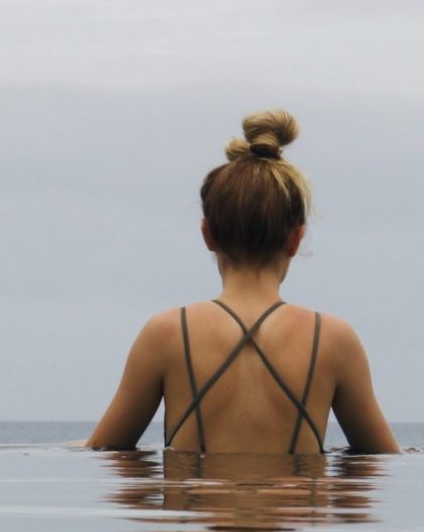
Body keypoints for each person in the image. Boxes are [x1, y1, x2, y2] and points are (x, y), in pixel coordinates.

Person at [85, 109, 399, 454]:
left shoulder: (166, 333)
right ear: (295, 240)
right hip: (295, 508)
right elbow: (381, 462)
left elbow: (104, 451)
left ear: (208, 236)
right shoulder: (335, 340)